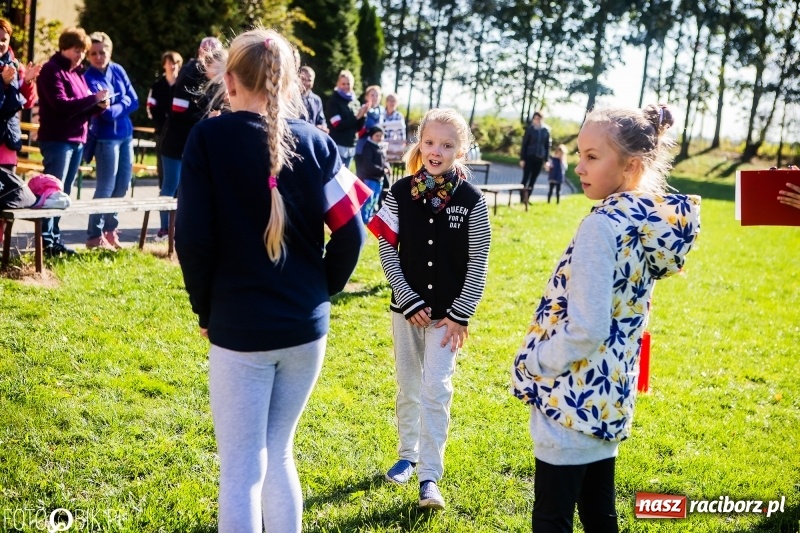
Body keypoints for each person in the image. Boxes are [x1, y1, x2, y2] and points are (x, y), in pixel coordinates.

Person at [175, 28, 370, 533]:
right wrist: (316, 294)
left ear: (231, 79)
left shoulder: (208, 138)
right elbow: (353, 234)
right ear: (285, 83)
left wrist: (205, 310)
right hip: (305, 331)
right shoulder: (320, 143)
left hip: (240, 328)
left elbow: (192, 240)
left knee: (241, 469)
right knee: (279, 452)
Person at [511, 104, 701, 533]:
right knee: (599, 516)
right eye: (580, 153)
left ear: (631, 165)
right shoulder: (645, 220)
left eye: (593, 157)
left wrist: (535, 362)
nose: (579, 166)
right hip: (611, 394)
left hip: (571, 400)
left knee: (551, 519)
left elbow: (587, 327)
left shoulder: (602, 226)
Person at [367, 108, 492, 510]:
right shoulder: (399, 192)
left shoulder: (472, 200)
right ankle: (407, 455)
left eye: (447, 145)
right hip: (406, 312)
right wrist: (408, 299)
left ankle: (429, 478)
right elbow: (387, 248)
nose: (437, 151)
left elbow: (479, 260)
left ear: (462, 149)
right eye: (430, 142)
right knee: (408, 385)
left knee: (436, 390)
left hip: (447, 319)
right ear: (419, 143)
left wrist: (461, 313)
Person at [36, 27, 109, 256]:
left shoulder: (77, 72)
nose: (79, 55)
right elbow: (61, 105)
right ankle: (45, 241)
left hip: (78, 138)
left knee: (64, 192)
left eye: (82, 51)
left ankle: (54, 238)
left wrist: (97, 107)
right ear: (64, 47)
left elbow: (82, 107)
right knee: (53, 192)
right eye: (76, 50)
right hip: (57, 139)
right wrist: (92, 100)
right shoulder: (51, 70)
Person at [157, 36, 223, 241]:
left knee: (191, 187)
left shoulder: (216, 78)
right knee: (171, 185)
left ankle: (183, 228)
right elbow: (178, 109)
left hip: (196, 143)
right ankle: (165, 229)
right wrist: (207, 117)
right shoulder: (189, 73)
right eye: (210, 54)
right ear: (201, 53)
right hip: (176, 142)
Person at [83, 31, 139, 250]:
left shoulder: (118, 69)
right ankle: (94, 236)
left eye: (102, 51)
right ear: (89, 56)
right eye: (94, 53)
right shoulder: (89, 77)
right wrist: (120, 105)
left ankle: (110, 231)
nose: (99, 56)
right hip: (105, 139)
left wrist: (115, 106)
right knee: (105, 187)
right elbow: (103, 113)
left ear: (110, 51)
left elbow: (134, 99)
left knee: (123, 185)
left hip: (125, 136)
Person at [0, 18, 40, 174]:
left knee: (8, 192)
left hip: (8, 138)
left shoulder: (16, 66)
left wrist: (28, 82)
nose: (1, 44)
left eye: (4, 39)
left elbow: (28, 102)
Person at [146, 50, 183, 187]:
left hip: (179, 133)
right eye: (169, 63)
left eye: (175, 63)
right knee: (163, 165)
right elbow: (152, 108)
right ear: (164, 65)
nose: (172, 66)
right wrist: (162, 125)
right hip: (161, 132)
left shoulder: (182, 86)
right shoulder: (157, 86)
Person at [326, 69, 367, 168]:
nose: (346, 86)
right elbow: (337, 125)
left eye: (348, 84)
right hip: (337, 145)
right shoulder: (334, 101)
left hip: (351, 146)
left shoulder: (355, 102)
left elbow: (358, 128)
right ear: (338, 84)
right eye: (343, 84)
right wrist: (357, 116)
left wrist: (363, 115)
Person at [356, 125, 390, 223]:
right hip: (370, 178)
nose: (379, 138)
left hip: (379, 178)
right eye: (377, 136)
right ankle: (364, 217)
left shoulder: (381, 147)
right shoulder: (368, 147)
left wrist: (387, 167)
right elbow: (368, 164)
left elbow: (384, 160)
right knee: (369, 199)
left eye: (381, 136)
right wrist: (382, 170)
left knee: (375, 199)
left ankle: (370, 215)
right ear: (371, 136)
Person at [519, 111, 551, 205]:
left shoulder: (546, 130)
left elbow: (547, 146)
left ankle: (527, 199)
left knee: (533, 179)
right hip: (529, 157)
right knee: (525, 178)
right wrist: (522, 159)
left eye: (539, 118)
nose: (537, 120)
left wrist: (546, 160)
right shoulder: (530, 129)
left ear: (542, 119)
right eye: (535, 118)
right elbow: (524, 144)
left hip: (539, 158)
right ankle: (522, 198)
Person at [298, 65, 327, 133]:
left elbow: (321, 120)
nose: (306, 83)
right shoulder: (290, 98)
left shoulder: (317, 100)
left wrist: (323, 126)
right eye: (303, 79)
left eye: (309, 80)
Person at [382, 92, 406, 164]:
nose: (392, 103)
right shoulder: (381, 114)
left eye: (394, 101)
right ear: (386, 102)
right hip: (380, 145)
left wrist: (401, 145)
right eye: (390, 100)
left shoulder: (399, 116)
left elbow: (401, 133)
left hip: (391, 146)